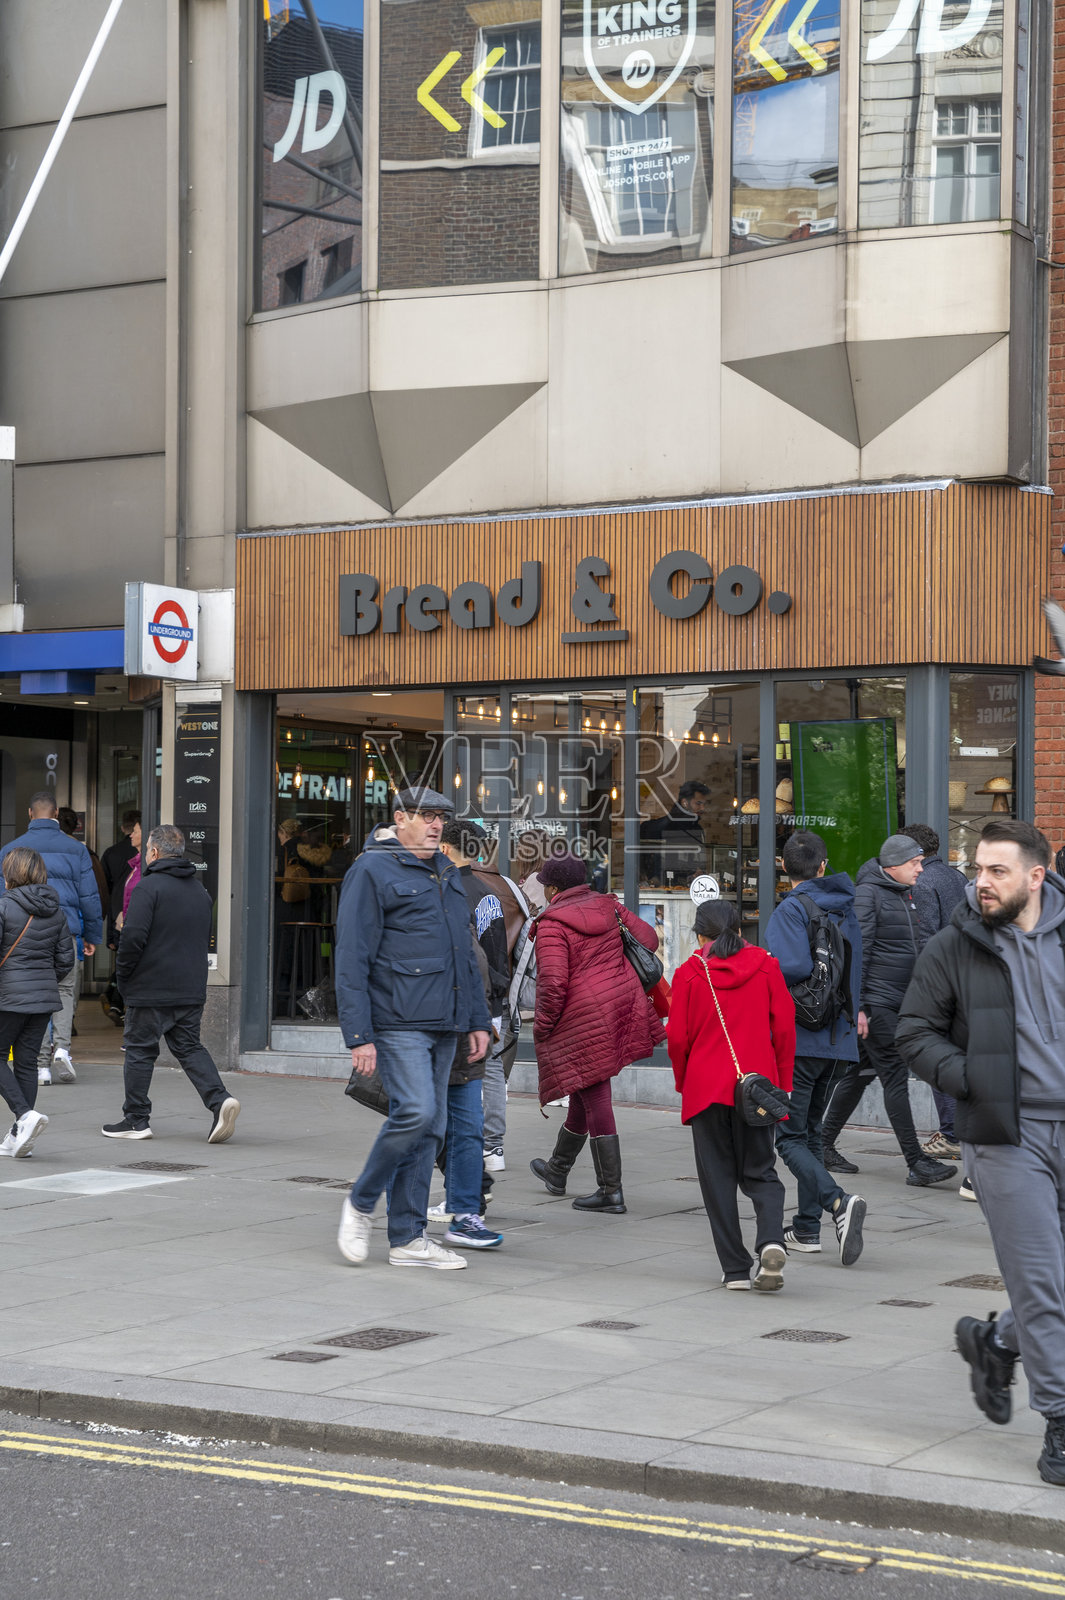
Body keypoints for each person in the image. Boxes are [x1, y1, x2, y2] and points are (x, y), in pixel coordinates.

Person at [896, 820, 1065, 1488]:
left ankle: (994, 1344)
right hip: (1004, 1135)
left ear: (1035, 876)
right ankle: (1058, 1422)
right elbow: (913, 1031)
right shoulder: (953, 945)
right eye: (976, 868)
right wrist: (973, 1080)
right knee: (1042, 1285)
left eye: (996, 870)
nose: (980, 882)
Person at [335, 787, 490, 1271]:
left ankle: (407, 1238)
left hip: (446, 1020)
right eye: (425, 816)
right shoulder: (371, 868)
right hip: (398, 1019)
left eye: (441, 817)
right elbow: (351, 955)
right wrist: (358, 1034)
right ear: (400, 817)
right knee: (417, 1113)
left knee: (433, 1129)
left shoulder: (445, 870)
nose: (435, 824)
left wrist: (478, 1020)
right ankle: (361, 1202)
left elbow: (464, 951)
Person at [667, 898, 793, 1290]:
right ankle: (771, 1240)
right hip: (756, 1087)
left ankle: (736, 1269)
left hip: (707, 1089)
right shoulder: (767, 965)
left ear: (700, 936)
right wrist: (782, 1082)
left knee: (717, 1179)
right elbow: (785, 1028)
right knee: (762, 1171)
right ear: (740, 931)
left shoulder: (690, 973)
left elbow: (677, 1037)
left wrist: (685, 1081)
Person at [529, 854, 664, 1214]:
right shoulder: (610, 908)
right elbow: (649, 938)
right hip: (619, 1006)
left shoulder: (552, 924)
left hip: (582, 1017)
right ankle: (558, 1169)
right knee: (585, 1086)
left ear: (554, 888)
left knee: (596, 1093)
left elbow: (554, 983)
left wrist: (543, 1026)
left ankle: (610, 1190)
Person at [821, 834, 956, 1188]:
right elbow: (858, 952)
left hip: (895, 1000)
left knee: (859, 1075)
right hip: (878, 1004)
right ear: (894, 865)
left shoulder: (902, 894)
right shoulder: (869, 894)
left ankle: (821, 1143)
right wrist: (861, 1006)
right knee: (895, 1076)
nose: (921, 868)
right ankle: (916, 1162)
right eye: (914, 863)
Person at [765, 830, 867, 1264]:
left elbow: (792, 967)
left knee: (787, 1138)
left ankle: (837, 1201)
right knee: (809, 1134)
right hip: (837, 1038)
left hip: (799, 1038)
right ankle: (806, 1229)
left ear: (783, 867)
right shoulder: (847, 907)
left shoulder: (789, 910)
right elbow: (856, 971)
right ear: (823, 865)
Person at [101, 824, 240, 1144]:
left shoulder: (148, 889)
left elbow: (132, 939)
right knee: (189, 1047)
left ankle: (136, 1119)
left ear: (153, 852)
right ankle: (220, 1100)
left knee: (139, 1050)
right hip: (190, 987)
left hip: (150, 988)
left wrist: (124, 977)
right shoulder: (199, 891)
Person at [433, 819, 507, 1249]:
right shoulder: (488, 894)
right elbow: (498, 954)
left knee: (441, 1113)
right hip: (481, 1010)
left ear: (444, 847)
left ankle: (465, 1194)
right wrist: (494, 1009)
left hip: (456, 1016)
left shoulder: (449, 891)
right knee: (463, 1113)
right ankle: (467, 1196)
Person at [0, 790, 102, 1088]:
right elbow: (89, 896)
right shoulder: (77, 849)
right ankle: (62, 1047)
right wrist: (91, 934)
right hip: (64, 930)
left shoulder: (10, 848)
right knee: (64, 990)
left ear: (31, 814)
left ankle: (41, 1065)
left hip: (19, 933)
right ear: (56, 813)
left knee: (35, 994)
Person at [899, 822, 968, 1165]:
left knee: (936, 1055)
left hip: (940, 982)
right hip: (964, 976)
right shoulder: (956, 877)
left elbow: (925, 938)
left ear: (916, 853)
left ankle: (952, 1133)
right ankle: (955, 1131)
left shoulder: (923, 882)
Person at [0, 848, 75, 1159]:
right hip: (42, 999)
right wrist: (42, 981)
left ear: (11, 873)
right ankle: (21, 1132)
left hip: (8, 998)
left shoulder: (4, 906)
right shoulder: (56, 911)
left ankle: (23, 1115)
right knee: (27, 1063)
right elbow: (66, 960)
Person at [475, 839, 535, 1172]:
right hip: (506, 988)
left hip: (475, 989)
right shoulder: (512, 888)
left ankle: (470, 1144)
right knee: (495, 1068)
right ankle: (494, 1146)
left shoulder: (464, 888)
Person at [639, 781, 710, 886]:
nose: (703, 808)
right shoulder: (663, 827)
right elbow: (652, 864)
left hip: (688, 887)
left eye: (704, 804)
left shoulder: (697, 829)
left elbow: (695, 860)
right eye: (698, 803)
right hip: (662, 887)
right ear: (685, 802)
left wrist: (698, 871)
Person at [101, 810, 140, 949]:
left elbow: (104, 889)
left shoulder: (111, 853)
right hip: (138, 916)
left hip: (117, 914)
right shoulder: (144, 853)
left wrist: (110, 935)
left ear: (122, 828)